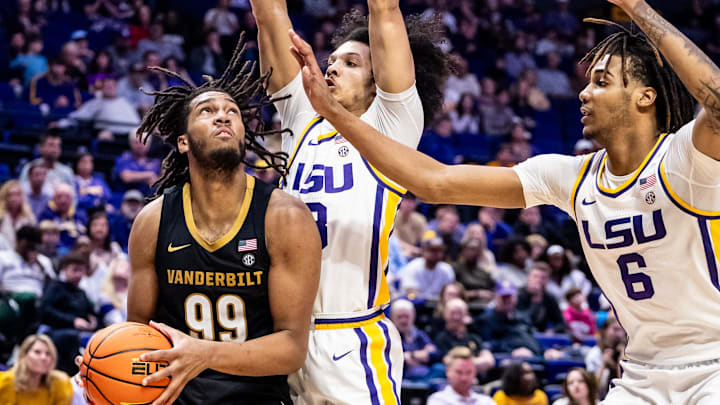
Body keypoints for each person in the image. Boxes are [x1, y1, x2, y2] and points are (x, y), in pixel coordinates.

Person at [289, 0, 720, 401]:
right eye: (588, 82)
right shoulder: (572, 176)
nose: (584, 93)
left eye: (602, 82)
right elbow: (433, 181)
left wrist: (639, 9)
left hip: (712, 368)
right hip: (642, 374)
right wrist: (334, 113)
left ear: (647, 97)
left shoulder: (685, 160)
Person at [252, 0, 449, 402]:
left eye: (351, 63)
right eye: (332, 60)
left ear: (379, 84)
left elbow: (385, 9)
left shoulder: (392, 128)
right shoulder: (301, 123)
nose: (332, 67)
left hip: (351, 337)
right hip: (284, 338)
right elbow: (268, 13)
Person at [125, 35, 322, 405]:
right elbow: (136, 338)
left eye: (232, 112)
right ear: (182, 142)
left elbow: (292, 348)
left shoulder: (285, 217)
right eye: (207, 111)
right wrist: (103, 362)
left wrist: (204, 354)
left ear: (244, 133)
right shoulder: (152, 222)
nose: (223, 116)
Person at [41, 252, 97, 374]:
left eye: (81, 270)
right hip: (56, 330)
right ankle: (72, 375)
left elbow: (91, 313)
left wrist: (93, 321)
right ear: (65, 270)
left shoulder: (81, 293)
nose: (78, 274)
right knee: (72, 337)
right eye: (75, 270)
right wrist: (72, 321)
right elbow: (45, 311)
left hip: (81, 332)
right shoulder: (55, 287)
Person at [0, 334, 73, 404]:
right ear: (24, 355)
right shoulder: (6, 382)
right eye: (37, 352)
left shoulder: (59, 383)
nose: (43, 358)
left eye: (48, 354)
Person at [433, 298, 495, 376]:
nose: (456, 317)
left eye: (460, 313)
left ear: (466, 315)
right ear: (445, 315)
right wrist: (477, 363)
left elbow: (489, 361)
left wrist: (463, 363)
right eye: (452, 313)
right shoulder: (441, 339)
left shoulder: (474, 338)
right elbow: (449, 362)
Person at [426, 346, 496, 405]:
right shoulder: (437, 400)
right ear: (448, 372)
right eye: (458, 372)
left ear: (474, 373)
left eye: (468, 372)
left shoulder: (486, 401)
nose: (464, 378)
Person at [389, 298, 436, 381]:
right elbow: (397, 359)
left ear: (413, 317)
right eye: (399, 317)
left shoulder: (418, 334)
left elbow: (433, 353)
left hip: (426, 374)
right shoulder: (389, 336)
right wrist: (422, 356)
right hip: (401, 376)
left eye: (407, 316)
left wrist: (411, 355)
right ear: (392, 318)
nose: (403, 320)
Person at [517, 262, 566, 334]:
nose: (539, 280)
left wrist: (553, 331)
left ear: (548, 281)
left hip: (542, 336)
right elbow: (523, 321)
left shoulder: (550, 298)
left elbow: (561, 324)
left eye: (543, 278)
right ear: (528, 278)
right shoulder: (518, 294)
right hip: (521, 334)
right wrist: (535, 302)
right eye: (535, 276)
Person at [0, 180, 36, 249]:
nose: (14, 198)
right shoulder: (1, 216)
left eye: (17, 194)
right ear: (5, 197)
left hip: (23, 255)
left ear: (22, 196)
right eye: (10, 195)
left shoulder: (29, 217)